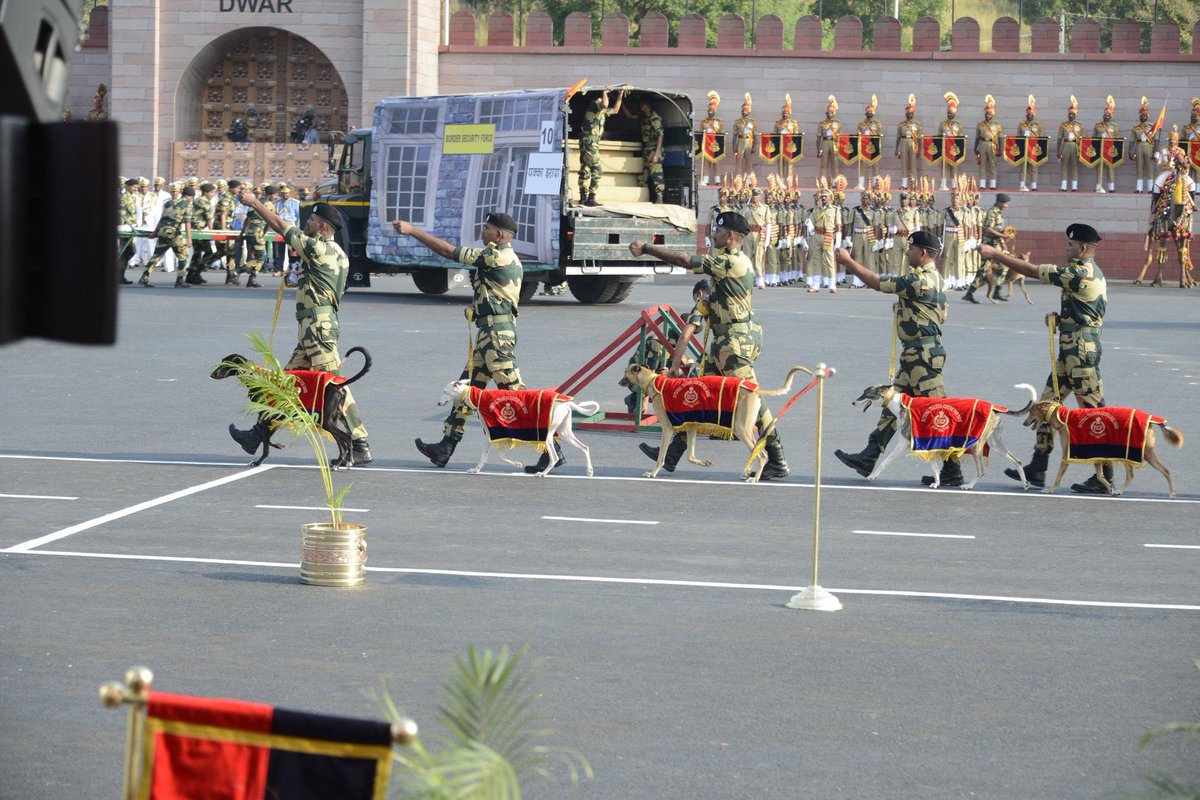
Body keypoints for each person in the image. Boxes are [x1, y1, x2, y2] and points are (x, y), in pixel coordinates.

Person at [627, 210, 790, 479]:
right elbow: (692, 325)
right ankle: (670, 457)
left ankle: (777, 459)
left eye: (718, 231)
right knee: (699, 393)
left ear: (732, 236)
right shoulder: (721, 275)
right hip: (725, 343)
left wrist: (647, 248)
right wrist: (677, 364)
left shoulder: (732, 262)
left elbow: (685, 261)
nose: (713, 234)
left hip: (736, 343)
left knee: (754, 400)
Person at [234, 190, 372, 465]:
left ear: (323, 226)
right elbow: (325, 286)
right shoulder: (339, 255)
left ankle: (360, 442)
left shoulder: (317, 247)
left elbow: (281, 226)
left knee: (335, 386)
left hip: (317, 330)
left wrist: (255, 203)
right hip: (315, 328)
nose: (307, 224)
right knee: (286, 385)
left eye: (312, 220)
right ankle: (259, 433)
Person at [396, 212, 530, 470]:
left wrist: (413, 231)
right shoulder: (507, 256)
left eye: (487, 228)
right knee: (465, 389)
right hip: (489, 333)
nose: (483, 231)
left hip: (495, 335)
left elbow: (449, 251)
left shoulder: (495, 255)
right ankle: (445, 447)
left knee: (514, 394)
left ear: (500, 234)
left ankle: (551, 447)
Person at [981, 223, 1108, 493]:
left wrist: (996, 254)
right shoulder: (1090, 272)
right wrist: (1064, 320)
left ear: (1082, 248)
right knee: (1045, 407)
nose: (1067, 248)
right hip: (1072, 347)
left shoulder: (1080, 272)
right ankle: (1038, 465)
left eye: (1071, 245)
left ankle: (1104, 474)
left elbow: (1032, 270)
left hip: (1080, 350)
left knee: (1094, 414)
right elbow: (1090, 310)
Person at [833, 230, 958, 485]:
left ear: (923, 253)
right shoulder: (937, 278)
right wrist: (906, 308)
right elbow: (940, 314)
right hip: (915, 355)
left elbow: (878, 283)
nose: (907, 252)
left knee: (937, 411)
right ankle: (869, 455)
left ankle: (953, 470)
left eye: (911, 249)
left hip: (923, 357)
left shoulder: (917, 279)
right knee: (893, 404)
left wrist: (848, 262)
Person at [1136, 130, 1196, 288]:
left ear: (1177, 141)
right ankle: (1156, 206)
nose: (1172, 142)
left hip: (1179, 176)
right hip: (1166, 174)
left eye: (1174, 140)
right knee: (1156, 185)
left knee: (1193, 184)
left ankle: (1191, 206)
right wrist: (1157, 158)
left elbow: (1187, 164)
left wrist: (1183, 168)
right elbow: (1158, 162)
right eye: (1170, 140)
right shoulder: (1162, 150)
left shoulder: (1182, 151)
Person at [577, 86, 624, 207]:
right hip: (589, 141)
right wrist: (605, 92)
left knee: (585, 169)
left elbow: (615, 110)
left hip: (589, 141)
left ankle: (583, 196)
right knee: (596, 169)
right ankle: (591, 197)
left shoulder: (601, 110)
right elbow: (604, 104)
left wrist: (620, 95)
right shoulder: (596, 103)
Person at [140, 183, 193, 288]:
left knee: (157, 256)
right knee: (183, 256)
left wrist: (155, 233)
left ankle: (144, 277)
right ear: (188, 196)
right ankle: (180, 280)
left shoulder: (168, 203)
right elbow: (187, 222)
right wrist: (189, 238)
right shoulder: (187, 205)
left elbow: (161, 219)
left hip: (163, 232)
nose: (191, 199)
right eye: (191, 197)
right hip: (174, 234)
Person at [963, 193, 1012, 304]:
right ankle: (972, 293)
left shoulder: (998, 213)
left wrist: (1003, 240)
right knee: (984, 269)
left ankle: (993, 292)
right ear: (999, 202)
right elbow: (988, 229)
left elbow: (997, 230)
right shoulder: (992, 212)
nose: (1006, 205)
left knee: (999, 266)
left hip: (995, 244)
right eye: (1005, 203)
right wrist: (1003, 236)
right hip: (989, 245)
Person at [623, 98, 664, 203]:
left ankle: (659, 197)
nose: (642, 107)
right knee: (643, 175)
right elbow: (629, 116)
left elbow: (660, 135)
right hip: (647, 149)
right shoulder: (642, 116)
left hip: (654, 149)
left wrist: (657, 152)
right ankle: (642, 198)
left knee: (656, 173)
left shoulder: (654, 118)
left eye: (643, 105)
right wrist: (621, 103)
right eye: (641, 105)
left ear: (648, 105)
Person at [1129, 96, 1158, 194]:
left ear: (1147, 116)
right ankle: (1139, 188)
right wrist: (1130, 151)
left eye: (1144, 115)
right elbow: (1132, 141)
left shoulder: (1152, 127)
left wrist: (1156, 151)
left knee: (1149, 168)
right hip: (1139, 147)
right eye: (1141, 115)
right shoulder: (1135, 127)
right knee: (1139, 167)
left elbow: (1156, 140)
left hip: (1149, 147)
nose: (1143, 117)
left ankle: (1150, 189)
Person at [1016, 95, 1044, 192]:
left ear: (1034, 115)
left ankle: (1034, 186)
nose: (1029, 116)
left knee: (1034, 167)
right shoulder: (1021, 125)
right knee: (1023, 167)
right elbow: (1018, 137)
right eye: (1028, 114)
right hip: (1024, 149)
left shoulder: (1038, 125)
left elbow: (1042, 139)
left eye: (1031, 114)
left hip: (1034, 149)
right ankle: (1022, 185)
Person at [855, 94, 883, 190]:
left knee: (875, 164)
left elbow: (880, 135)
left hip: (874, 144)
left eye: (871, 112)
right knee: (862, 164)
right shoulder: (861, 124)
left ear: (873, 113)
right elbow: (858, 133)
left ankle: (876, 184)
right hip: (864, 144)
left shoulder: (877, 123)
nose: (869, 113)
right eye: (868, 112)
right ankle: (861, 184)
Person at [975, 94, 1002, 190]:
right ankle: (982, 184)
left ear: (992, 115)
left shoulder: (996, 124)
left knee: (992, 164)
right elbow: (977, 137)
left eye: (989, 114)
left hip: (992, 145)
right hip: (982, 144)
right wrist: (975, 148)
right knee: (982, 163)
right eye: (986, 114)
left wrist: (1001, 150)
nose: (987, 115)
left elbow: (1000, 138)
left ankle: (993, 184)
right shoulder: (980, 124)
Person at [1092, 96, 1119, 193]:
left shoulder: (1114, 127)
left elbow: (1116, 139)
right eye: (1105, 114)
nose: (1106, 116)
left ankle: (1111, 187)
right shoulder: (1098, 125)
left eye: (1108, 115)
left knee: (1110, 167)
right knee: (1099, 167)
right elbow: (1093, 137)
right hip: (1100, 148)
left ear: (1111, 116)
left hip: (1110, 148)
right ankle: (1098, 186)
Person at [896, 94, 922, 190]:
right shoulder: (901, 125)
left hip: (913, 143)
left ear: (913, 114)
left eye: (910, 114)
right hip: (903, 142)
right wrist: (896, 149)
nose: (908, 115)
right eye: (907, 114)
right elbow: (898, 137)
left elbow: (919, 138)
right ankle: (904, 184)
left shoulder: (917, 125)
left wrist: (920, 149)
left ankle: (914, 183)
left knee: (913, 164)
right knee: (904, 164)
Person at [938, 92, 964, 191]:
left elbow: (961, 137)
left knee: (954, 166)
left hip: (954, 148)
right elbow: (939, 135)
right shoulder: (942, 124)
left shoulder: (958, 124)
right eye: (948, 113)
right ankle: (943, 184)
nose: (949, 115)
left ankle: (954, 185)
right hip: (945, 147)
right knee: (944, 166)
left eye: (951, 114)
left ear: (954, 114)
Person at [697, 90, 723, 187]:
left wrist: (715, 127)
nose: (710, 111)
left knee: (716, 162)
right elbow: (700, 132)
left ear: (715, 110)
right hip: (706, 144)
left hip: (715, 144)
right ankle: (706, 180)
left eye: (712, 110)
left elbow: (720, 132)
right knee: (706, 163)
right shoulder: (704, 121)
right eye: (709, 110)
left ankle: (717, 181)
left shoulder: (718, 121)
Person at [773, 94, 801, 183]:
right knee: (780, 164)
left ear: (789, 113)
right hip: (781, 143)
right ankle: (781, 182)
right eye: (784, 113)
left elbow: (796, 136)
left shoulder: (793, 123)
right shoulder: (778, 123)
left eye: (786, 113)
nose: (785, 114)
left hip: (790, 144)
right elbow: (774, 135)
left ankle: (789, 182)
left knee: (789, 164)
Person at [1058, 96, 1083, 192]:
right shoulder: (1063, 125)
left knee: (1074, 166)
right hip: (1066, 145)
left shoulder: (1080, 126)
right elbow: (1059, 138)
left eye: (1072, 114)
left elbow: (1082, 139)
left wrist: (1081, 151)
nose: (1071, 116)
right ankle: (1063, 186)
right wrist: (1058, 150)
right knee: (1064, 165)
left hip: (1075, 146)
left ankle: (1074, 186)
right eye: (1069, 114)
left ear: (1075, 114)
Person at [117, 178, 139, 285]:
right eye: (133, 187)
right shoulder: (124, 197)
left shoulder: (131, 197)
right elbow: (121, 213)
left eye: (136, 187)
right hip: (126, 228)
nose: (135, 189)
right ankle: (118, 275)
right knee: (126, 251)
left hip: (131, 227)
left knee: (128, 252)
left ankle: (120, 275)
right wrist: (122, 228)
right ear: (127, 186)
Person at [817, 95, 842, 185]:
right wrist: (818, 148)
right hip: (825, 143)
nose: (829, 113)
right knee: (824, 164)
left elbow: (841, 137)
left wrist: (840, 148)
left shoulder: (838, 123)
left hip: (834, 143)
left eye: (831, 111)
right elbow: (818, 137)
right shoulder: (822, 124)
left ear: (834, 112)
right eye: (828, 111)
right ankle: (823, 182)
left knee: (834, 164)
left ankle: (835, 182)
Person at [275, 184, 300, 275]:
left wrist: (298, 229)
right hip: (280, 226)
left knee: (292, 249)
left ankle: (291, 268)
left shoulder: (295, 203)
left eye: (287, 193)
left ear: (290, 193)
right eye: (283, 193)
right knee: (279, 249)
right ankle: (279, 269)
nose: (285, 195)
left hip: (291, 226)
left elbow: (298, 217)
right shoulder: (277, 203)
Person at [732, 93, 757, 177]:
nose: (744, 111)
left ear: (749, 111)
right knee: (739, 160)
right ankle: (738, 178)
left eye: (746, 110)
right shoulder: (737, 121)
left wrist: (754, 146)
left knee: (748, 161)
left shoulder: (752, 122)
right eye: (743, 110)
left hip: (749, 142)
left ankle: (749, 180)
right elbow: (734, 135)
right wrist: (734, 147)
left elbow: (755, 135)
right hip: (739, 141)